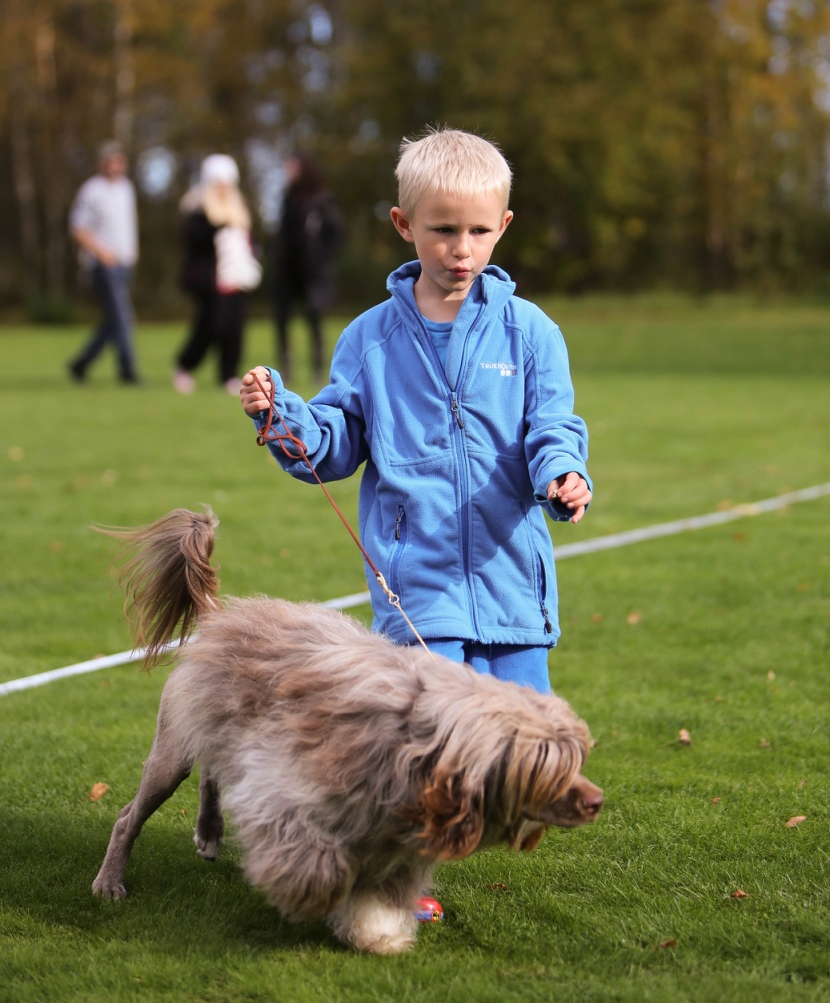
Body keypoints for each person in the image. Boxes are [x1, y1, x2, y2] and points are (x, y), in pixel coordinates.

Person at [240, 128, 591, 695]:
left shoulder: (531, 333)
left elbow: (552, 425)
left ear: (503, 226)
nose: (462, 249)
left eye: (479, 231)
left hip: (512, 585)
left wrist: (562, 474)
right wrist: (282, 414)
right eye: (444, 230)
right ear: (405, 225)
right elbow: (333, 445)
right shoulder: (368, 340)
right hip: (418, 591)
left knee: (523, 746)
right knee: (437, 746)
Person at [173, 154, 261, 396]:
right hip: (210, 281)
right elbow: (194, 244)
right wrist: (218, 227)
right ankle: (185, 366)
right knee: (211, 326)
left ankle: (228, 374)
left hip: (237, 280)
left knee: (235, 328)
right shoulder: (197, 210)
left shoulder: (239, 209)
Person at [68, 140, 141, 384]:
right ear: (101, 163)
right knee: (123, 317)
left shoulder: (126, 189)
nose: (114, 165)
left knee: (113, 320)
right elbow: (78, 228)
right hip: (104, 265)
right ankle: (127, 371)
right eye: (109, 160)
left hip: (124, 264)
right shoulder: (92, 190)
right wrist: (102, 253)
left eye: (118, 160)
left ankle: (80, 364)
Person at [271, 152, 343, 385]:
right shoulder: (287, 198)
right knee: (282, 318)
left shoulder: (321, 200)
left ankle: (318, 369)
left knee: (314, 319)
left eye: (291, 168)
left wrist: (319, 256)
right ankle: (284, 369)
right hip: (287, 271)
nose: (287, 173)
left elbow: (336, 233)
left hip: (312, 273)